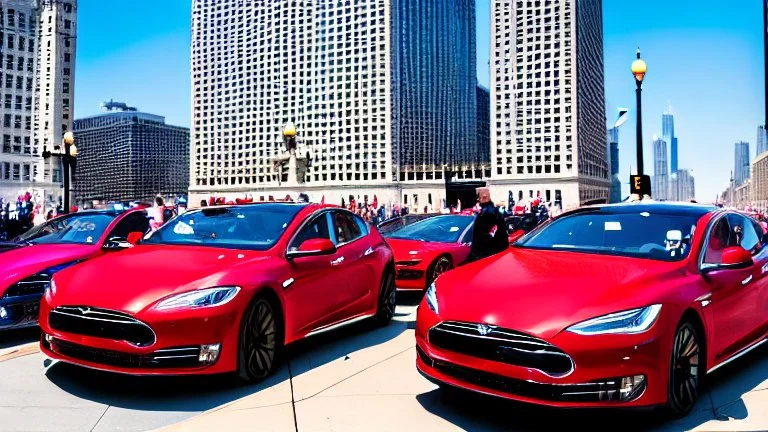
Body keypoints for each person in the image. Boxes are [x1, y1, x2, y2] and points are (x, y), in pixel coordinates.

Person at [466, 188, 509, 263]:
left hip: (486, 257)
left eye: (478, 198)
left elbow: (487, 236)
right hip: (495, 255)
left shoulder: (486, 214)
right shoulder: (494, 212)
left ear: (481, 199)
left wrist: (476, 255)